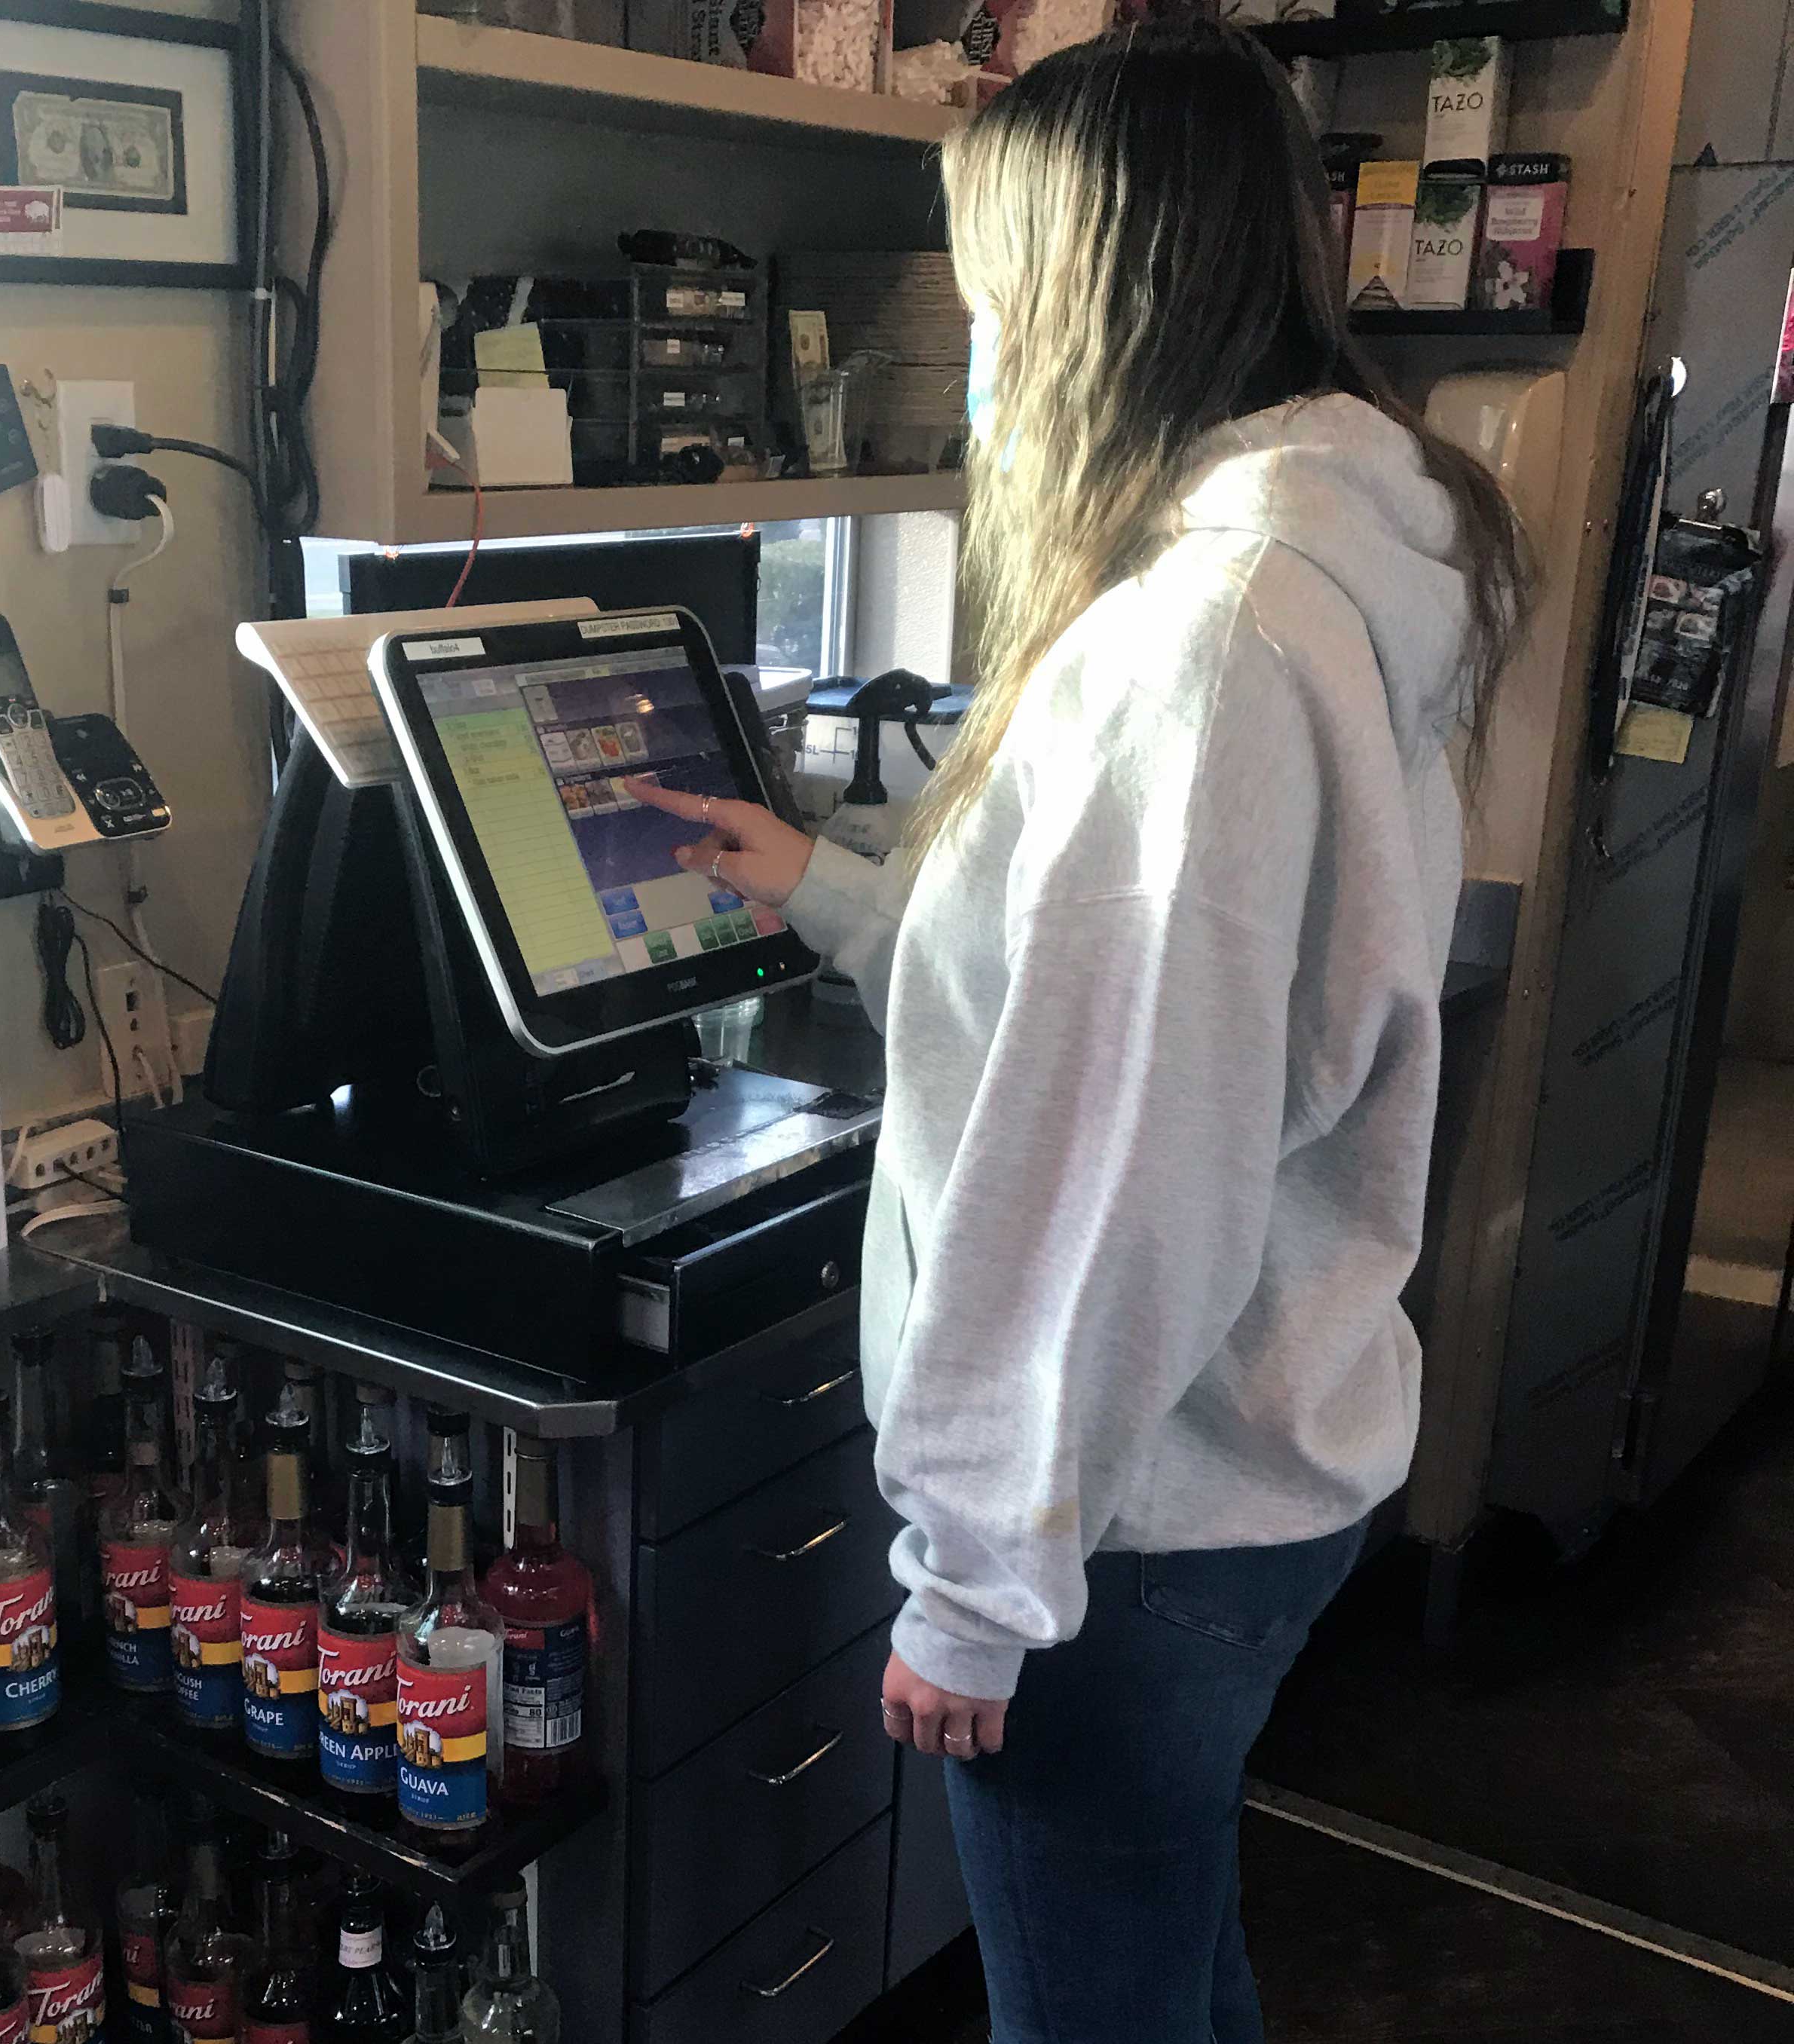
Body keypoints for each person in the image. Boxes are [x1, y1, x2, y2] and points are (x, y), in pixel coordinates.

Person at [634, 18, 1529, 2042]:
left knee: (1091, 2014)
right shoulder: (1328, 561)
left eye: (987, 290)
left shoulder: (1194, 646)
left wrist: (976, 1585)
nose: (978, 347)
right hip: (1256, 1473)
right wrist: (829, 883)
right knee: (1169, 1968)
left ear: (1088, 282)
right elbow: (1129, 984)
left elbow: (1121, 1168)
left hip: (1132, 1534)